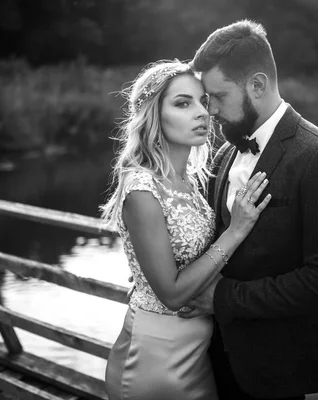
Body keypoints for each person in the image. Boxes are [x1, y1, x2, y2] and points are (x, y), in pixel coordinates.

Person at [178, 20, 318, 400]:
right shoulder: (228, 151)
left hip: (277, 372)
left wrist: (224, 298)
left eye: (217, 96)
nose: (209, 110)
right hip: (211, 360)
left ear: (257, 85)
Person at [100, 60, 272, 400]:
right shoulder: (141, 190)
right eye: (183, 103)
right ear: (153, 115)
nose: (202, 113)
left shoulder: (192, 181)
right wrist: (235, 232)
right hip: (158, 356)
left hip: (198, 349)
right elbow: (174, 294)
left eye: (202, 101)